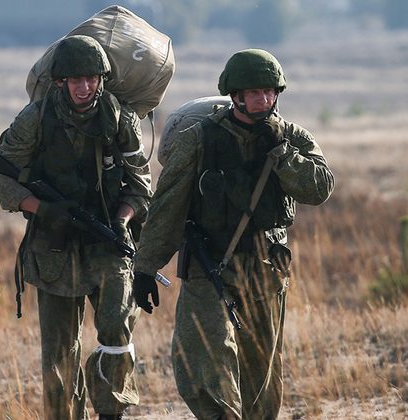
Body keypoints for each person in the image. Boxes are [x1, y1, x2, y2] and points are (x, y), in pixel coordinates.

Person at [132, 49, 334, 419]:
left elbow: (319, 188)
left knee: (261, 372)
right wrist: (145, 267)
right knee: (199, 357)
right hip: (208, 265)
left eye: (269, 92)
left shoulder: (291, 138)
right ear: (235, 95)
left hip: (265, 268)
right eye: (254, 92)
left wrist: (283, 154)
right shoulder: (199, 140)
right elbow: (167, 205)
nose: (263, 99)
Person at [0, 35, 152, 420]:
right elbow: (0, 173)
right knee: (59, 353)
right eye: (76, 79)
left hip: (107, 242)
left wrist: (122, 220)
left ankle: (112, 411)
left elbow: (140, 183)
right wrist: (41, 209)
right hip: (54, 247)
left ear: (101, 80)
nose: (84, 87)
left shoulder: (120, 119)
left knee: (117, 330)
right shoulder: (36, 119)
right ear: (61, 81)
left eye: (91, 79)